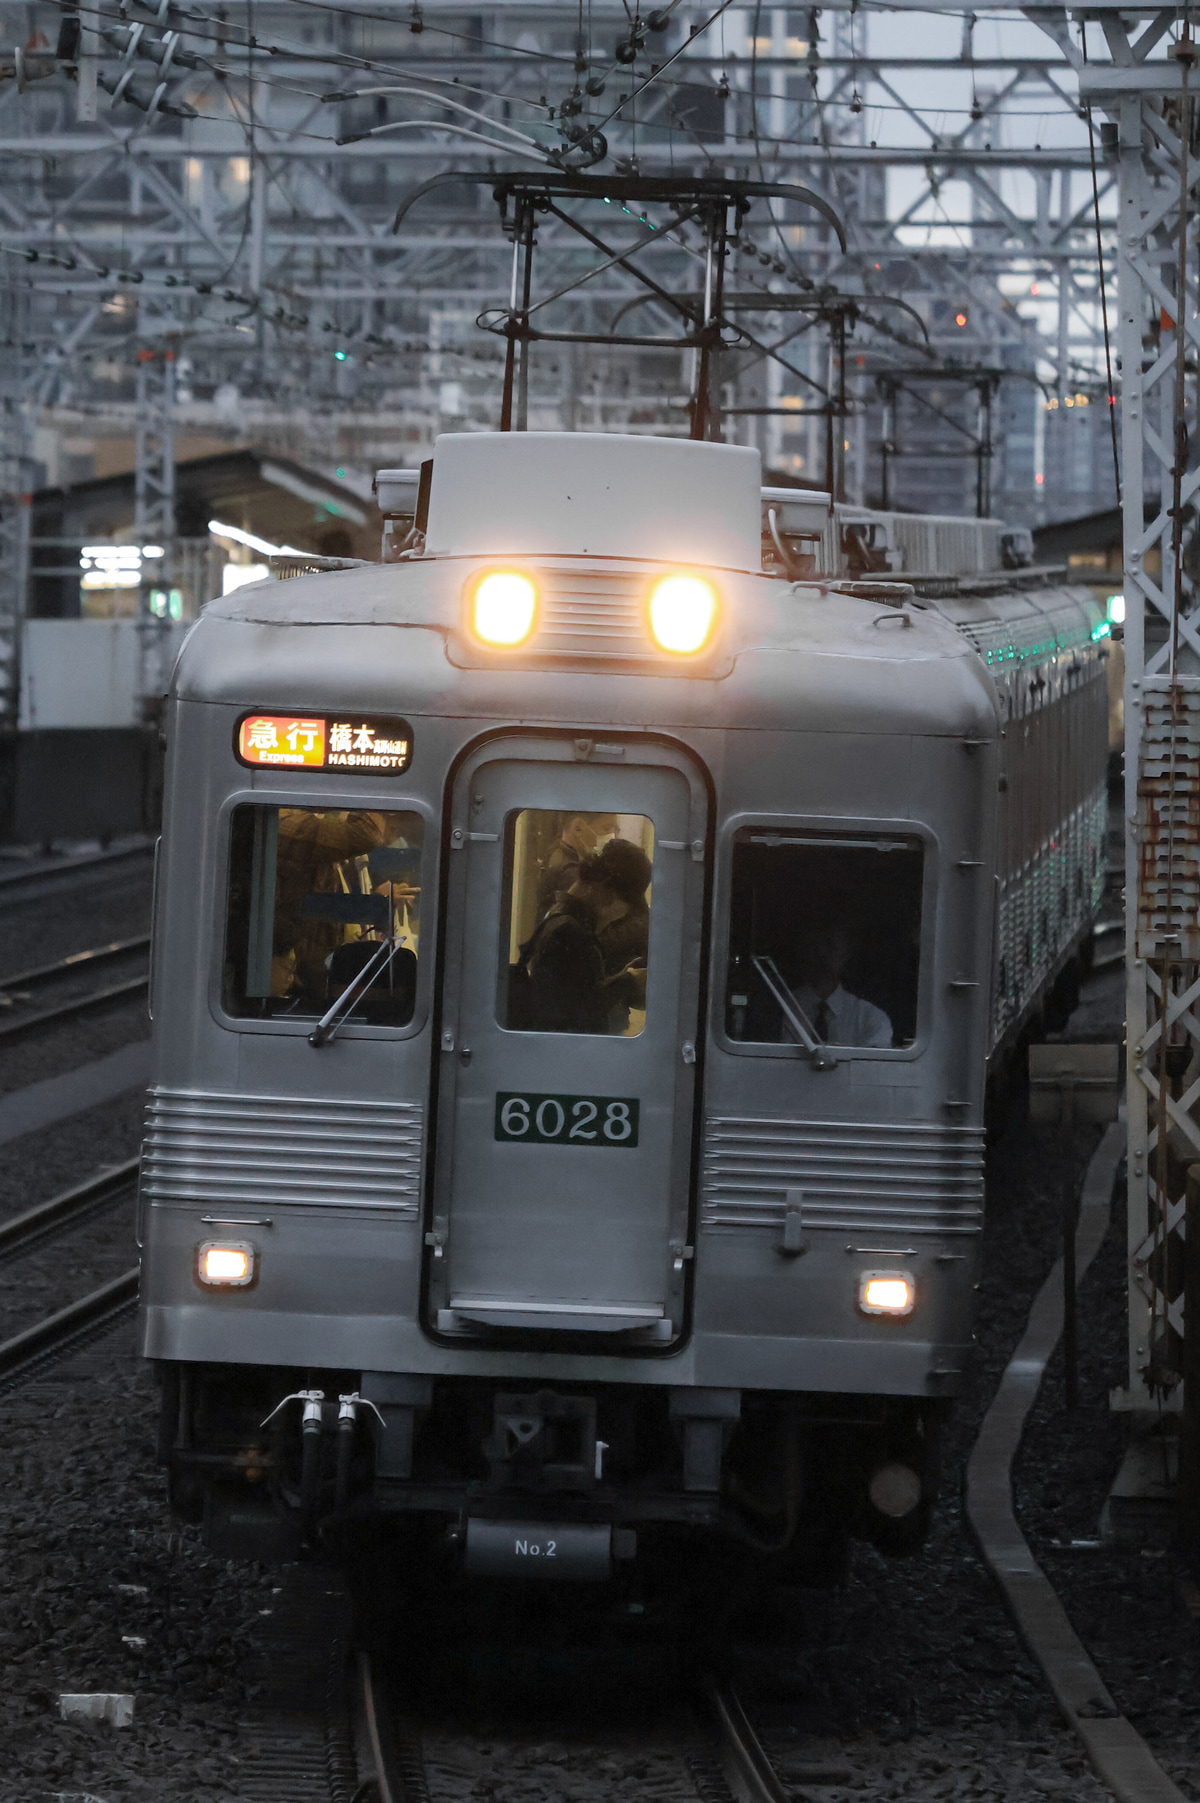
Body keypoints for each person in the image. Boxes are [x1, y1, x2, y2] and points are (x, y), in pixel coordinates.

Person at [513, 837, 652, 1034]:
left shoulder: (558, 918)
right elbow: (578, 1011)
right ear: (604, 887)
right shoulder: (569, 932)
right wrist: (627, 982)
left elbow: (575, 991)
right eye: (621, 904)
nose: (617, 913)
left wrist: (622, 978)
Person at [785, 919, 893, 1049]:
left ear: (847, 952)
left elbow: (876, 1067)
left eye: (829, 943)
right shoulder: (781, 1009)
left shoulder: (870, 1018)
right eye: (814, 945)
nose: (822, 953)